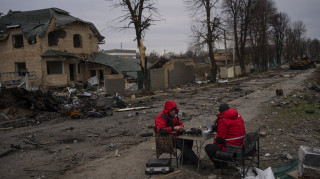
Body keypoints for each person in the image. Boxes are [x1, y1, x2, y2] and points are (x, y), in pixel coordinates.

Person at [155, 100, 201, 167]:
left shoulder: (174, 115)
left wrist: (181, 128)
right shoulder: (161, 117)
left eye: (174, 110)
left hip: (176, 136)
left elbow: (180, 124)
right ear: (168, 110)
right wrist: (173, 128)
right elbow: (160, 131)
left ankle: (184, 160)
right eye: (172, 110)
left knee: (189, 139)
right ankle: (196, 161)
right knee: (180, 142)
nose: (174, 112)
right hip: (166, 138)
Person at [205, 103, 246, 169]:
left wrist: (215, 135)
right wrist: (217, 128)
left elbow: (220, 139)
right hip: (239, 144)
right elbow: (231, 128)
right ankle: (223, 164)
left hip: (230, 147)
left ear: (221, 112)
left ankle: (221, 166)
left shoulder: (222, 120)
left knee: (208, 147)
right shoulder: (238, 116)